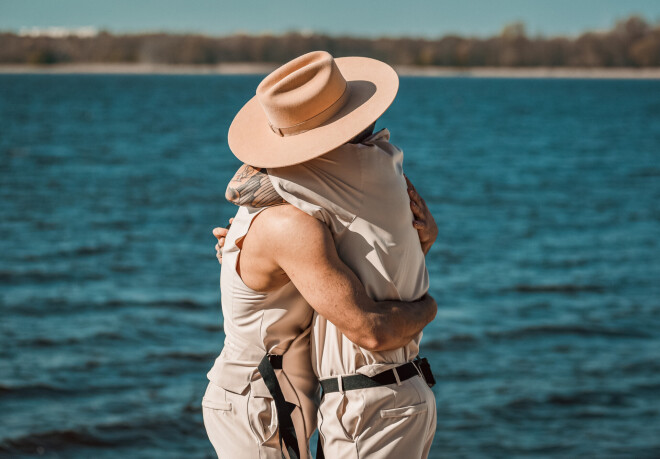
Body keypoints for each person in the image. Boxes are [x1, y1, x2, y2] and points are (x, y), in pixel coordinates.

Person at [204, 51, 438, 458]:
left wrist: (417, 242)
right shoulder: (293, 222)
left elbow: (244, 188)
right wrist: (428, 307)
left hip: (276, 399)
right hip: (256, 402)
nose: (370, 129)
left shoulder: (310, 201)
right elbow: (371, 329)